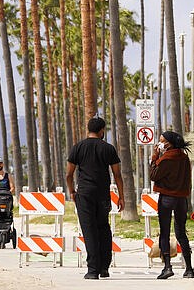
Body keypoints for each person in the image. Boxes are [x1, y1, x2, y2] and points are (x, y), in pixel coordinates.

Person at [66, 115, 125, 280]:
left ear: (89, 130)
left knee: (89, 230)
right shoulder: (108, 148)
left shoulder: (78, 147)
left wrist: (72, 192)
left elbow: (69, 174)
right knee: (103, 229)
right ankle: (104, 268)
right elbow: (117, 174)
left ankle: (92, 270)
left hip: (84, 194)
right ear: (101, 131)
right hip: (102, 194)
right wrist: (121, 196)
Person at [149, 130, 194, 280]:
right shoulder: (184, 158)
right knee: (181, 232)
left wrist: (154, 158)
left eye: (162, 140)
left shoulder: (166, 158)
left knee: (165, 232)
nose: (160, 143)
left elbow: (154, 175)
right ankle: (189, 268)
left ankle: (167, 266)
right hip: (181, 199)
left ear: (168, 143)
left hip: (167, 197)